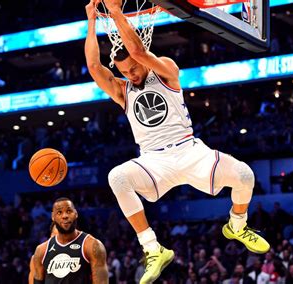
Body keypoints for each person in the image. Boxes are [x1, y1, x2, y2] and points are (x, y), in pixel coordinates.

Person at [84, 0, 270, 282]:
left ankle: (237, 225)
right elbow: (94, 66)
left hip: (190, 150)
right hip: (153, 159)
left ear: (143, 59)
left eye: (133, 68)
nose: (131, 74)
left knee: (245, 175)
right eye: (124, 72)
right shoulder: (123, 91)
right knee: (117, 178)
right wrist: (91, 19)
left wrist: (117, 12)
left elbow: (136, 50)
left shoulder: (165, 70)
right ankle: (153, 248)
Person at [31, 197, 108, 283]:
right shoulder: (41, 250)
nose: (65, 216)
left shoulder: (92, 245)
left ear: (76, 213)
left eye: (69, 211)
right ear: (53, 217)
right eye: (59, 212)